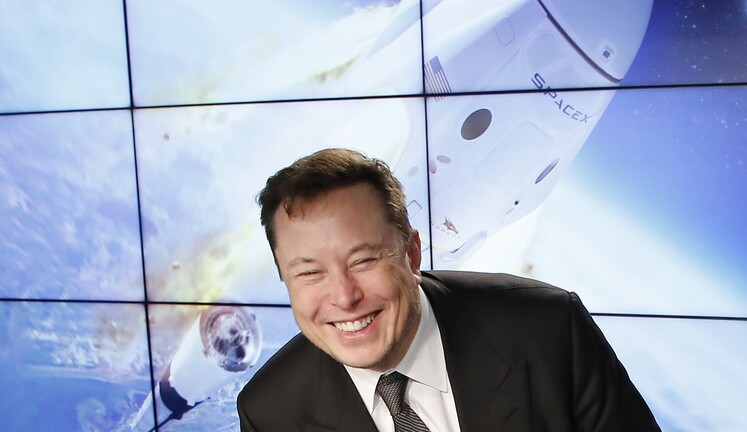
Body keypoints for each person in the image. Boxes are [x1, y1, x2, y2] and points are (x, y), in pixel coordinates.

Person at [237, 148, 660, 431]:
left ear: (412, 254)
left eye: (363, 261)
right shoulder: (270, 413)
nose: (344, 297)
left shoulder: (549, 329)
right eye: (310, 273)